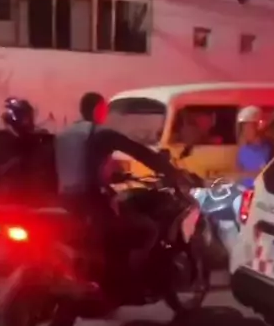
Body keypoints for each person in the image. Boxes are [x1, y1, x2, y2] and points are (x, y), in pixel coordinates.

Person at [53, 91, 183, 285]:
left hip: (65, 202)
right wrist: (170, 170)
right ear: (97, 110)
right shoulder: (100, 133)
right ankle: (128, 282)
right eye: (104, 109)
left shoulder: (63, 135)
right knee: (146, 229)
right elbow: (139, 151)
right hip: (93, 201)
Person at [236, 105, 271, 188]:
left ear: (259, 127)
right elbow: (238, 171)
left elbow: (266, 174)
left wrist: (243, 175)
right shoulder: (243, 150)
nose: (245, 132)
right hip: (246, 191)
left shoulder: (268, 150)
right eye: (243, 129)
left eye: (248, 128)